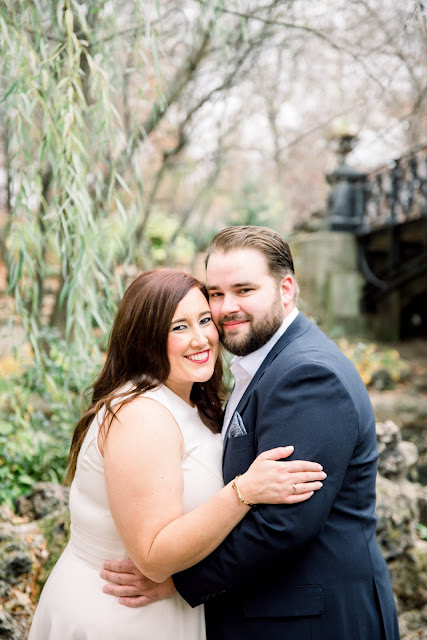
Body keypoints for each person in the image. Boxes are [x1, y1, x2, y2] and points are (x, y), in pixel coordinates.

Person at [102, 226, 400, 640]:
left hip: (311, 621)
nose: (227, 308)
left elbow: (283, 525)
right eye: (217, 294)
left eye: (244, 290)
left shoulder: (307, 375)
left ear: (286, 290)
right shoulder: (260, 361)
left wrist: (179, 583)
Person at [27, 268, 326, 640]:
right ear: (145, 339)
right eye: (178, 327)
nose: (201, 338)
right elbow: (153, 558)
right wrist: (244, 491)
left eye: (204, 320)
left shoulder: (190, 399)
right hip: (120, 615)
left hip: (162, 609)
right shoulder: (141, 416)